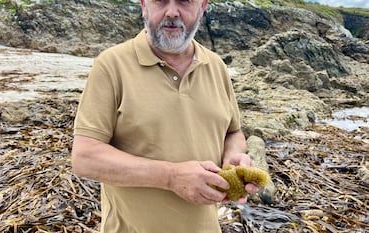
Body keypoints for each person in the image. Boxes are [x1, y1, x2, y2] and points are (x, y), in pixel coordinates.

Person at [71, 0, 259, 232]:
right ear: (143, 5)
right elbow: (84, 157)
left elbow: (233, 132)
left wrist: (234, 157)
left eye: (185, 1)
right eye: (160, 0)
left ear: (202, 7)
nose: (171, 12)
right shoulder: (111, 65)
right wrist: (170, 177)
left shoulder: (216, 66)